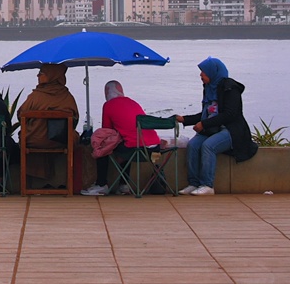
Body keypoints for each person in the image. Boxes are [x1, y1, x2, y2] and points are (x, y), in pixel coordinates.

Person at [174, 56, 258, 195]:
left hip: (231, 130)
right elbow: (207, 113)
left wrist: (204, 124)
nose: (201, 75)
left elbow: (230, 114)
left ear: (213, 72)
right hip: (212, 129)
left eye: (204, 72)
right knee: (194, 145)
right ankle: (193, 183)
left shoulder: (229, 88)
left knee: (209, 146)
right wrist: (185, 119)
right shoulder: (209, 88)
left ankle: (207, 185)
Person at [81, 80, 159, 196]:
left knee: (103, 146)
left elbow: (106, 131)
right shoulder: (133, 102)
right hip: (154, 150)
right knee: (128, 141)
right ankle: (124, 185)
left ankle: (102, 185)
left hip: (135, 150)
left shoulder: (108, 105)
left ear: (106, 93)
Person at [17, 63, 79, 187]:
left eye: (41, 73)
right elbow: (75, 120)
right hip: (61, 141)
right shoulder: (67, 96)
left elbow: (20, 116)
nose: (37, 75)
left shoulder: (35, 96)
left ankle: (30, 186)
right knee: (75, 136)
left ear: (51, 76)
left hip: (33, 141)